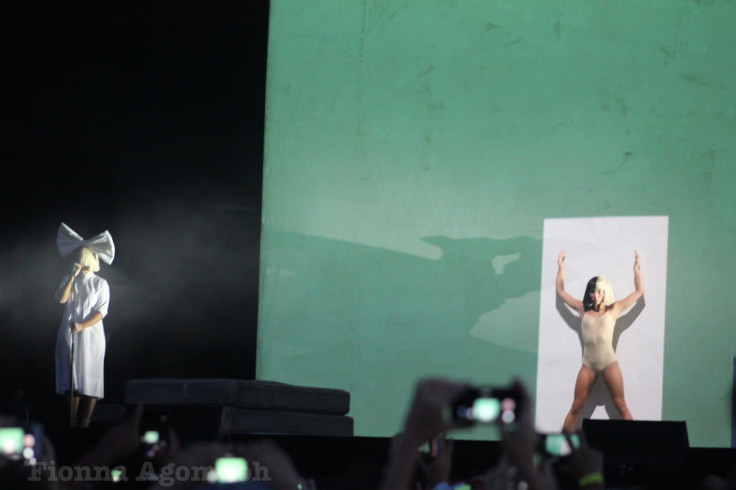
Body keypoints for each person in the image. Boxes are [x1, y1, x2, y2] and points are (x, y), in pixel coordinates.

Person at [556, 249, 644, 433]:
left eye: (598, 291)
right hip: (588, 365)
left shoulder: (614, 309)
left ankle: (637, 444)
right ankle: (561, 447)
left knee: (621, 407)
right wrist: (561, 267)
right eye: (592, 292)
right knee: (576, 408)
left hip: (609, 363)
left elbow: (639, 292)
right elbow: (560, 292)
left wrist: (636, 269)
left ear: (604, 292)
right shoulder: (582, 309)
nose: (595, 295)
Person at [55, 223, 115, 428]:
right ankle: (71, 423)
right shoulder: (68, 279)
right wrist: (72, 276)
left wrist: (83, 325)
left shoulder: (100, 283)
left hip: (90, 334)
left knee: (90, 379)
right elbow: (62, 299)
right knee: (73, 381)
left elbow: (101, 311)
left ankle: (85, 424)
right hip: (69, 333)